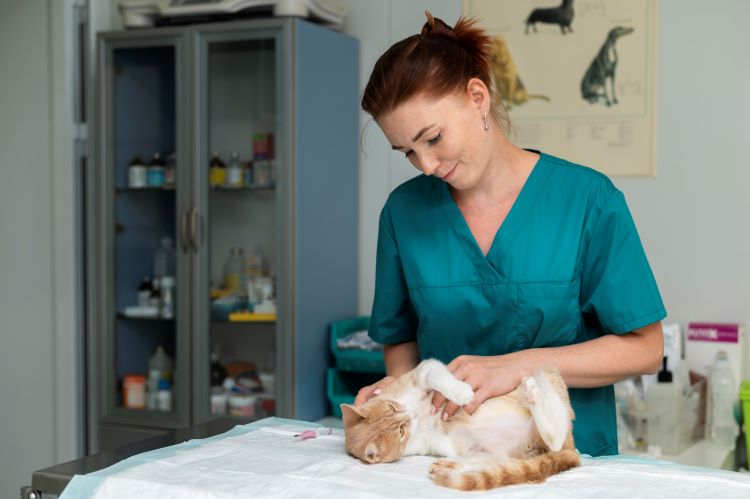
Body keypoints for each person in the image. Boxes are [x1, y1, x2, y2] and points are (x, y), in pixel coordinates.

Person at [353, 12, 666, 457]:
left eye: (434, 138)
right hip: (447, 460)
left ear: (477, 97)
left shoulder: (587, 200)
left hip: (562, 461)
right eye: (408, 152)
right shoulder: (404, 212)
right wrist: (398, 393)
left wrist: (519, 367)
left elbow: (646, 349)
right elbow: (399, 336)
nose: (426, 165)